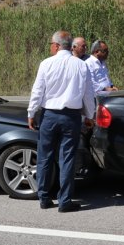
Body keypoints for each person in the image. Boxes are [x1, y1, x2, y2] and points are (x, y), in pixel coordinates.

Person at [28, 30, 95, 213]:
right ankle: (64, 200)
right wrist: (90, 116)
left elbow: (37, 91)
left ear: (57, 45)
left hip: (49, 115)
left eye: (51, 43)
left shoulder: (46, 64)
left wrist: (31, 112)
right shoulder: (81, 66)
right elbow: (88, 94)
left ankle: (43, 198)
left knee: (45, 157)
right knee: (67, 159)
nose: (50, 46)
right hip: (71, 117)